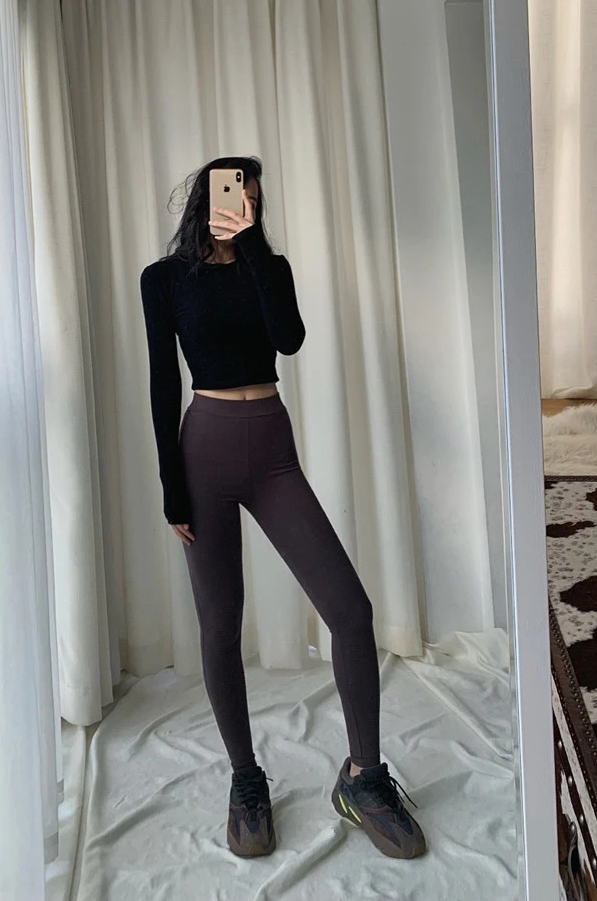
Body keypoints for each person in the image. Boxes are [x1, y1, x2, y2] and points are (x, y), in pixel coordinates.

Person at [140, 156, 425, 861]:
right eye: (231, 192)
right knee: (219, 625)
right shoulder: (164, 279)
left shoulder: (269, 268)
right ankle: (246, 778)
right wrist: (171, 486)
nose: (243, 203)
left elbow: (289, 339)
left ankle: (362, 776)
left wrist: (254, 251)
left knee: (350, 611)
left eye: (252, 197)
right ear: (205, 198)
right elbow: (160, 381)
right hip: (203, 451)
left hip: (271, 449)